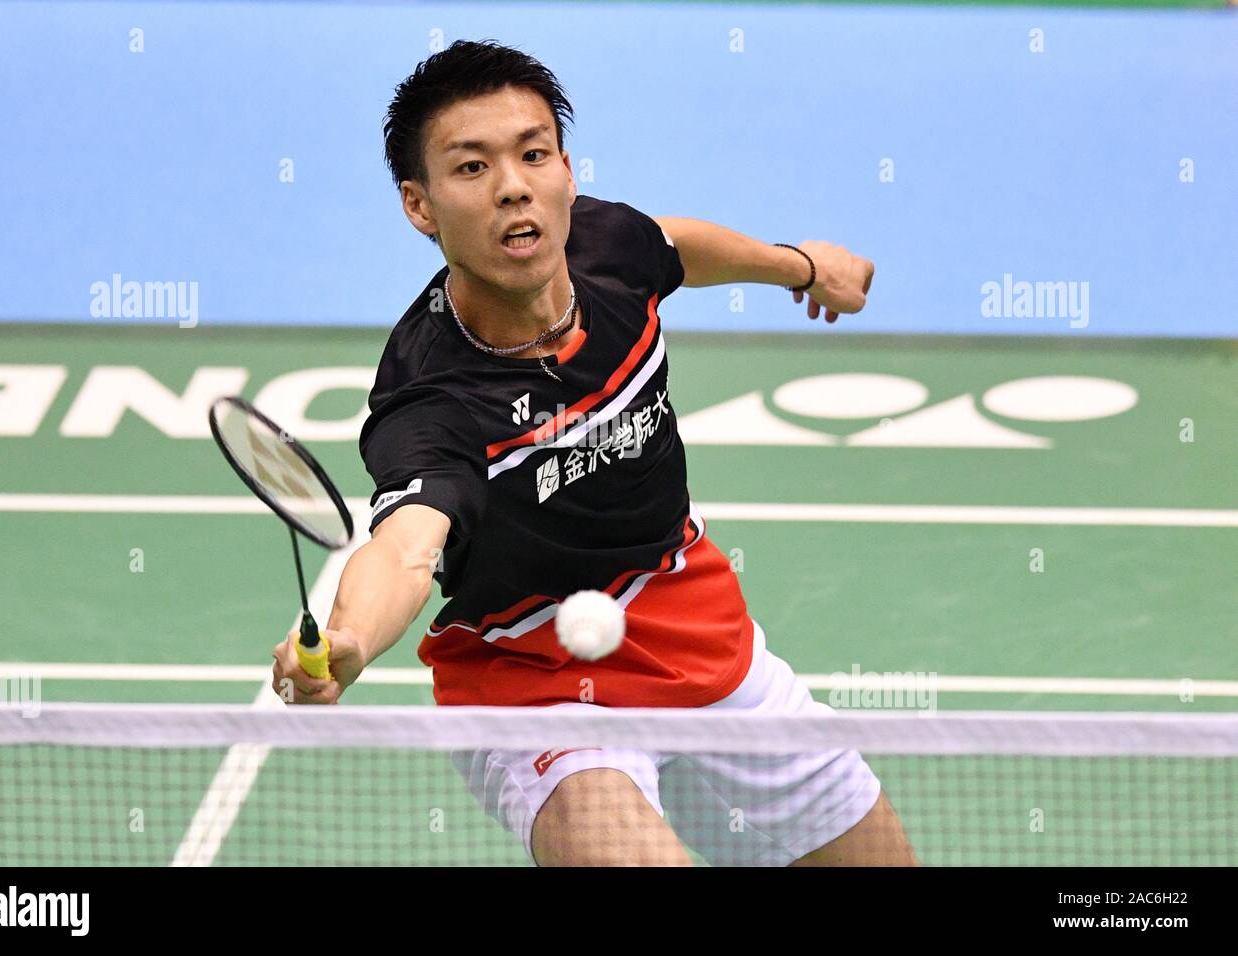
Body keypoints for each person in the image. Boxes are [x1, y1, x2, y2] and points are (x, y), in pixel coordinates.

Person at [272, 38, 915, 867]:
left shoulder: (606, 245)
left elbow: (674, 248)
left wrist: (798, 267)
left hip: (700, 630)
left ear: (566, 171)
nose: (512, 186)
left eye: (532, 154)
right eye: (471, 169)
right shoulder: (431, 400)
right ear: (419, 206)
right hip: (533, 690)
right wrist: (352, 640)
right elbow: (405, 546)